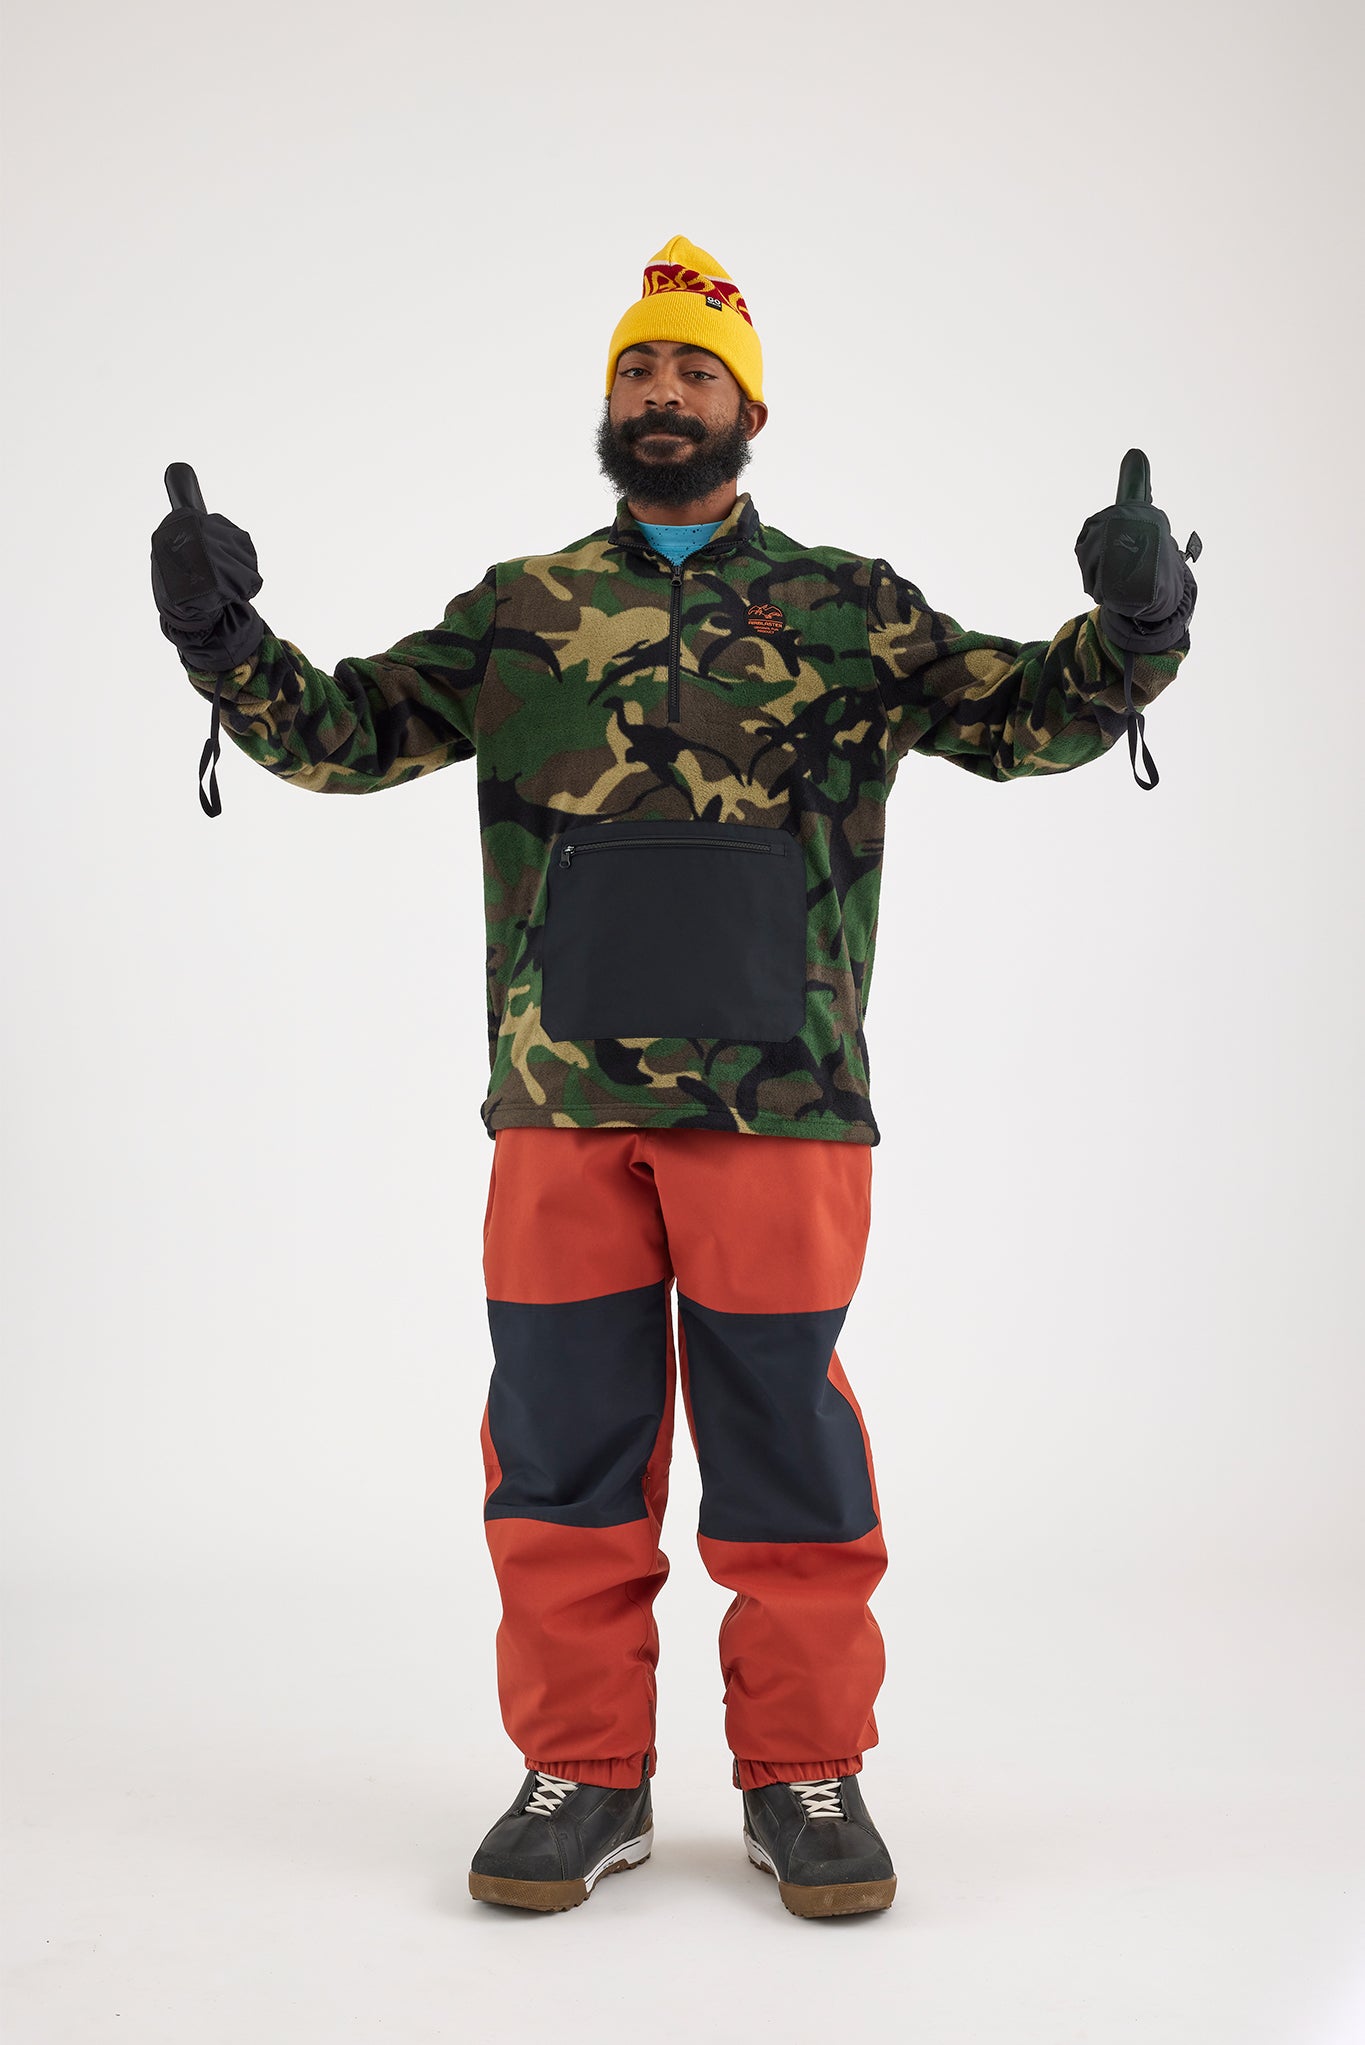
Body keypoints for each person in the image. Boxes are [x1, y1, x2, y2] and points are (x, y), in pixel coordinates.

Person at [150, 235, 1198, 1919]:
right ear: (608, 402)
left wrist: (1139, 621)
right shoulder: (523, 607)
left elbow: (1024, 716)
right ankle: (584, 1771)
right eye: (637, 365)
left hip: (782, 1107)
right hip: (558, 1108)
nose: (662, 389)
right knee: (560, 1454)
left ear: (749, 408)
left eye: (694, 368)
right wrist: (221, 635)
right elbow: (343, 733)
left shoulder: (849, 605)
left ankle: (805, 1775)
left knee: (784, 1450)